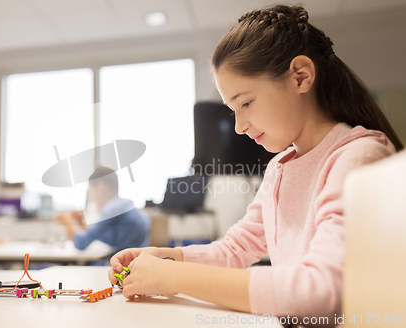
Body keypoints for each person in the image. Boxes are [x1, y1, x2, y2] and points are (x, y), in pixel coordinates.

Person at [107, 5, 403, 325]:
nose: (238, 126)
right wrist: (169, 257)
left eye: (246, 102)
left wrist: (174, 276)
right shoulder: (279, 168)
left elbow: (319, 291)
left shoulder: (357, 156)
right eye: (233, 109)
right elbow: (236, 248)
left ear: (300, 76)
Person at [57, 166, 150, 252]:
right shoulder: (125, 205)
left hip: (122, 266)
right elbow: (99, 238)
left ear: (101, 186)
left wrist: (67, 222)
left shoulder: (111, 210)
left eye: (90, 189)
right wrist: (80, 224)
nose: (90, 195)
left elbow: (81, 244)